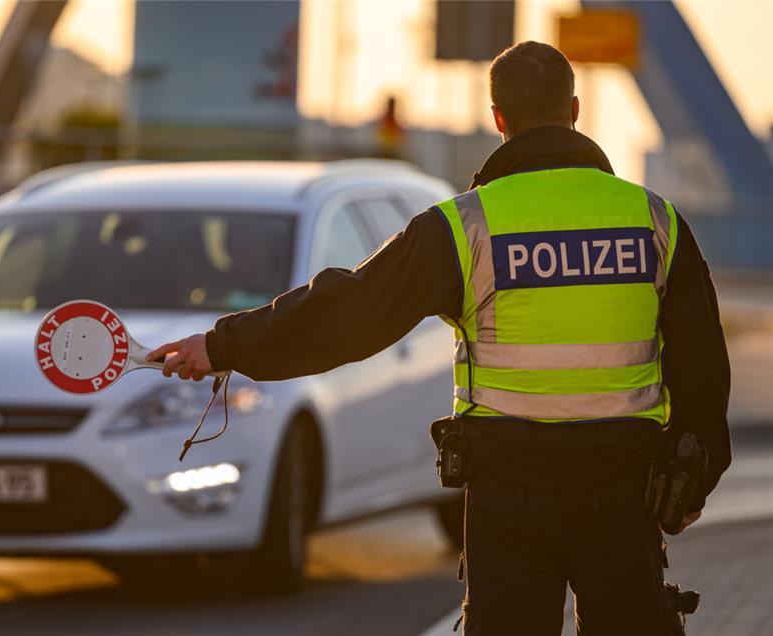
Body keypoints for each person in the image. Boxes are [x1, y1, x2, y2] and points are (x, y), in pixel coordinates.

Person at [148, 41, 731, 635]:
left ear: (499, 118)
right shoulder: (654, 220)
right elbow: (703, 368)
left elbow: (350, 310)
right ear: (575, 110)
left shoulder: (465, 225)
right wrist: (693, 479)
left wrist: (225, 345)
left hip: (509, 495)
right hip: (621, 489)